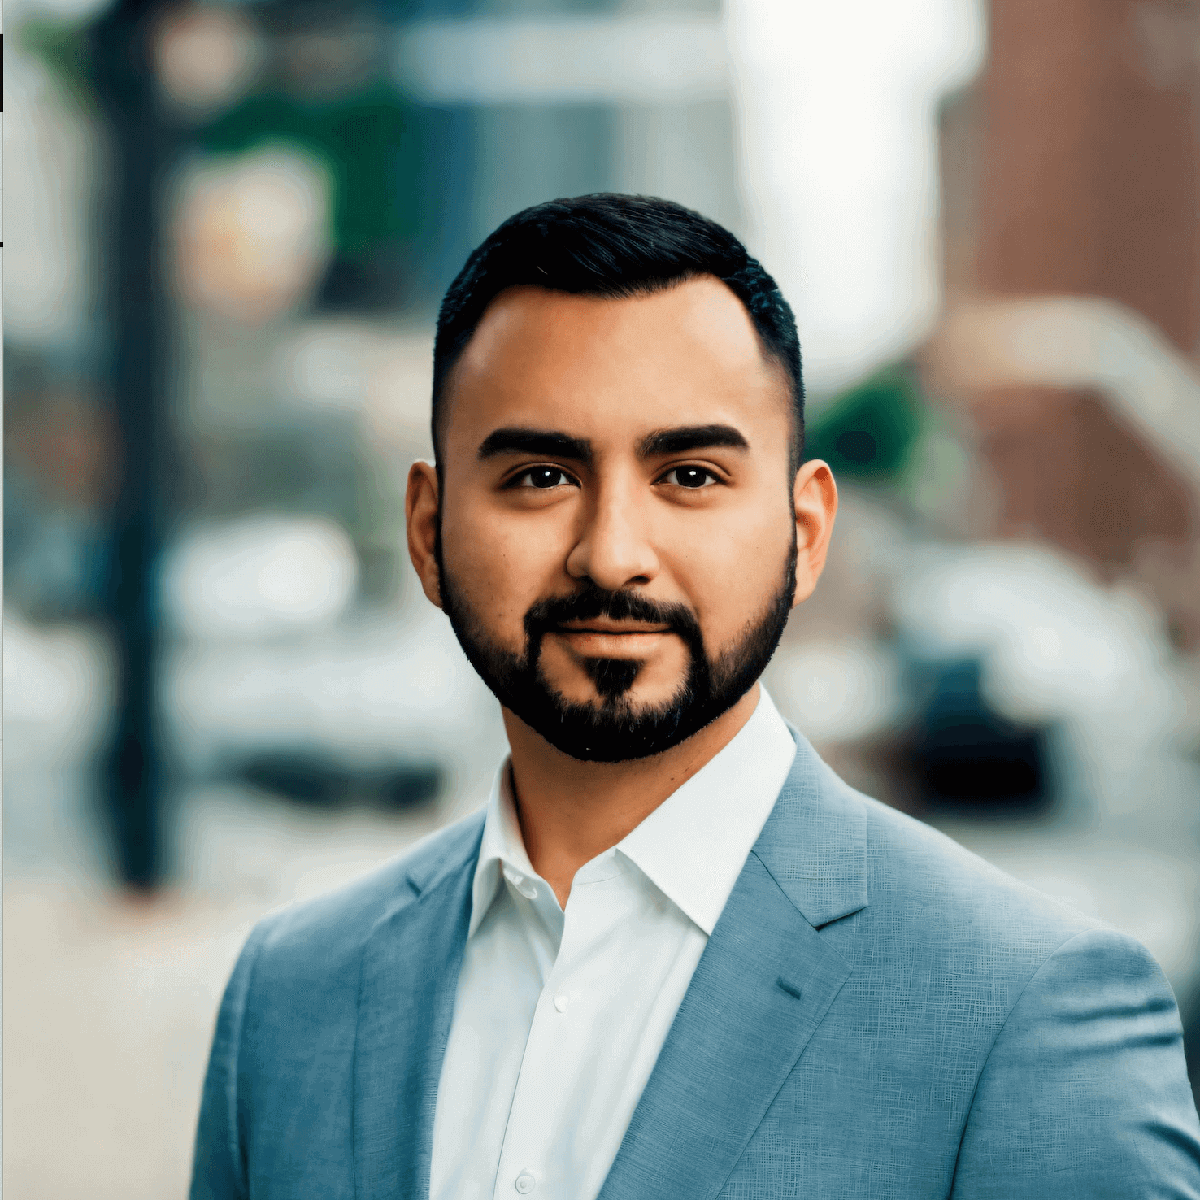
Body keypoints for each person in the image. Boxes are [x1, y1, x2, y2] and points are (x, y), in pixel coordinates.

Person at [190, 195, 1200, 1200]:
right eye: (541, 475)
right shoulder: (290, 998)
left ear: (803, 535)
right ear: (428, 532)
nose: (613, 553)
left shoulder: (1026, 1013)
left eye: (689, 474)